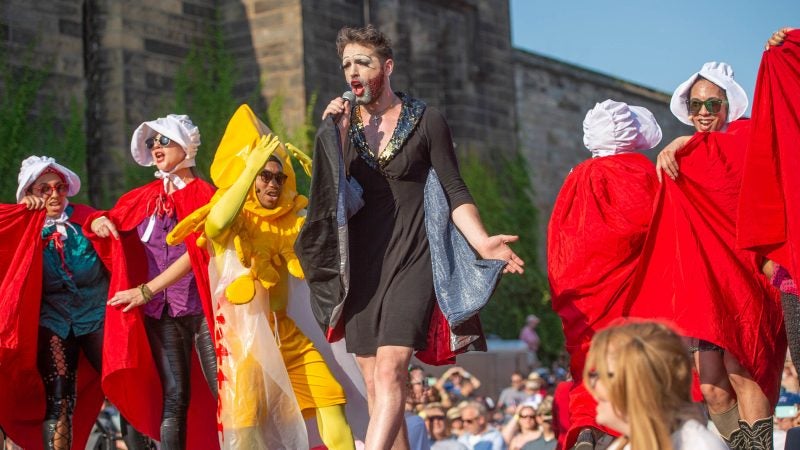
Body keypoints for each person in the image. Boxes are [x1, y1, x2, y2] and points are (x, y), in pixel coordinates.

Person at [309, 24, 524, 450]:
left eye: (363, 62)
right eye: (347, 64)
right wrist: (331, 135)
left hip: (416, 255)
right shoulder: (342, 126)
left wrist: (482, 242)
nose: (353, 71)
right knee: (374, 382)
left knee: (391, 370)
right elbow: (327, 199)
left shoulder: (426, 120)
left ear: (387, 67)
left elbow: (454, 188)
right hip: (363, 266)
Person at [165, 104, 355, 448]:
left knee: (331, 397)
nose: (273, 184)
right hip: (243, 342)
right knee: (247, 430)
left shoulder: (285, 222)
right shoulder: (231, 223)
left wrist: (325, 180)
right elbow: (215, 224)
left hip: (284, 334)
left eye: (279, 177)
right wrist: (250, 167)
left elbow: (321, 238)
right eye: (265, 177)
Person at [631, 60, 786, 448]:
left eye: (712, 105)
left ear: (728, 106)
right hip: (710, 284)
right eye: (696, 105)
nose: (702, 113)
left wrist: (683, 143)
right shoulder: (689, 154)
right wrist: (684, 145)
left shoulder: (747, 135)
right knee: (713, 387)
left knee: (741, 372)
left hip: (747, 278)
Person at [85, 114, 218, 449]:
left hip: (205, 308)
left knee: (225, 388)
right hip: (163, 314)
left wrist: (146, 290)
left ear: (185, 146)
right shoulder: (145, 196)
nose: (155, 147)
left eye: (163, 140)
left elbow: (198, 253)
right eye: (151, 142)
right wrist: (99, 222)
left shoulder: (206, 195)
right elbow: (106, 219)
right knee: (175, 395)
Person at [0, 156, 148, 450]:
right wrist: (25, 213)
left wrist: (102, 222)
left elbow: (104, 226)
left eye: (59, 188)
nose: (54, 195)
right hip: (53, 318)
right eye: (44, 189)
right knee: (59, 397)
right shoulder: (25, 228)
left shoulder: (85, 218)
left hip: (96, 314)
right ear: (31, 192)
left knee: (125, 387)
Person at [547, 99, 662, 449]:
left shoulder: (576, 177)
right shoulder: (639, 172)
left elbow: (559, 241)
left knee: (589, 363)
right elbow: (655, 228)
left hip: (580, 292)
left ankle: (586, 426)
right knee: (632, 360)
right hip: (627, 290)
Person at [583, 321, 728, 450]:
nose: (593, 384)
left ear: (639, 382)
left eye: (604, 374)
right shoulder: (624, 445)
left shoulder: (698, 445)